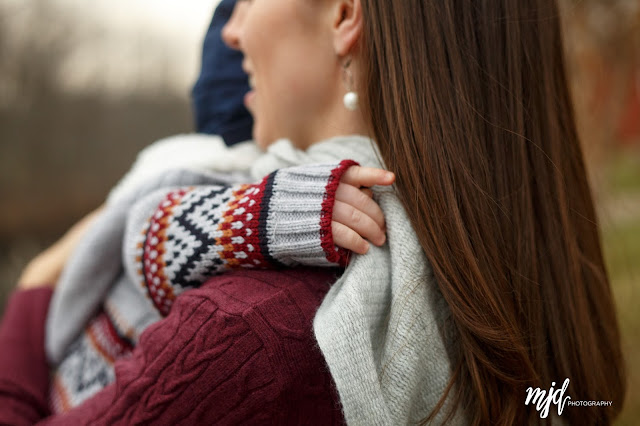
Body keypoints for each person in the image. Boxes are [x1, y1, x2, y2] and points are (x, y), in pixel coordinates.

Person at [0, 1, 627, 425]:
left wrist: (33, 288)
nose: (232, 31)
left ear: (345, 15)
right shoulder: (495, 266)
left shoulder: (249, 335)